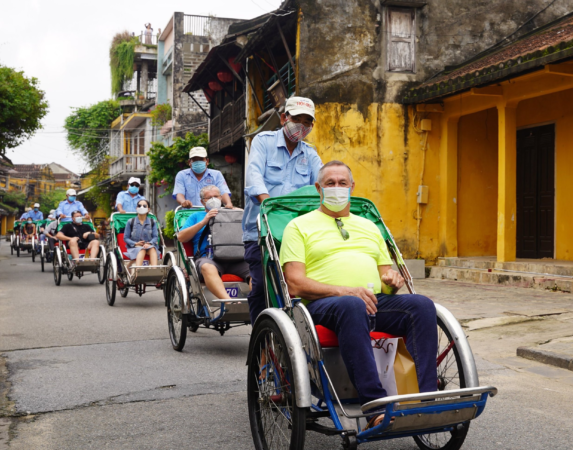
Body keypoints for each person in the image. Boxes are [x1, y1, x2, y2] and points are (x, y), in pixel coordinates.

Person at [280, 161, 437, 430]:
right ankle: (375, 406)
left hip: (373, 301)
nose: (337, 188)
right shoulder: (298, 226)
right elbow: (294, 283)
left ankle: (426, 400)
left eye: (343, 183)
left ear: (352, 187)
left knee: (421, 305)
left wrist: (392, 282)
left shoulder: (369, 227)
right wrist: (344, 291)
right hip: (321, 305)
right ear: (319, 188)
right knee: (352, 305)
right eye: (330, 183)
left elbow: (386, 277)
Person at [243, 96, 323, 324]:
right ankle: (259, 338)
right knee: (260, 287)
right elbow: (254, 174)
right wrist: (267, 202)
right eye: (296, 118)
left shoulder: (310, 153)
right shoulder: (263, 142)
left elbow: (323, 180)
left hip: (296, 233)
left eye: (307, 121)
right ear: (283, 118)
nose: (301, 125)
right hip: (261, 231)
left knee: (300, 285)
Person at [177, 185, 248, 300]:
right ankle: (229, 303)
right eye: (209, 198)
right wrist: (204, 221)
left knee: (257, 269)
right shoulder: (195, 216)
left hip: (237, 258)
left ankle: (255, 306)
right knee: (207, 267)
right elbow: (181, 237)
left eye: (216, 196)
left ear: (221, 198)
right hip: (208, 258)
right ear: (202, 202)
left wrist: (233, 210)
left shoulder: (232, 213)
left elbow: (247, 216)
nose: (213, 199)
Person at [123, 200, 159, 267]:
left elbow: (155, 237)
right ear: (136, 208)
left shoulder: (152, 222)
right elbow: (126, 238)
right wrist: (135, 243)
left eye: (144, 206)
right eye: (139, 206)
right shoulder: (130, 221)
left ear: (148, 209)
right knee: (142, 250)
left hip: (149, 246)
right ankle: (137, 273)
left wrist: (149, 243)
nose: (141, 207)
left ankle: (154, 272)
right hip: (135, 247)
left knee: (152, 249)